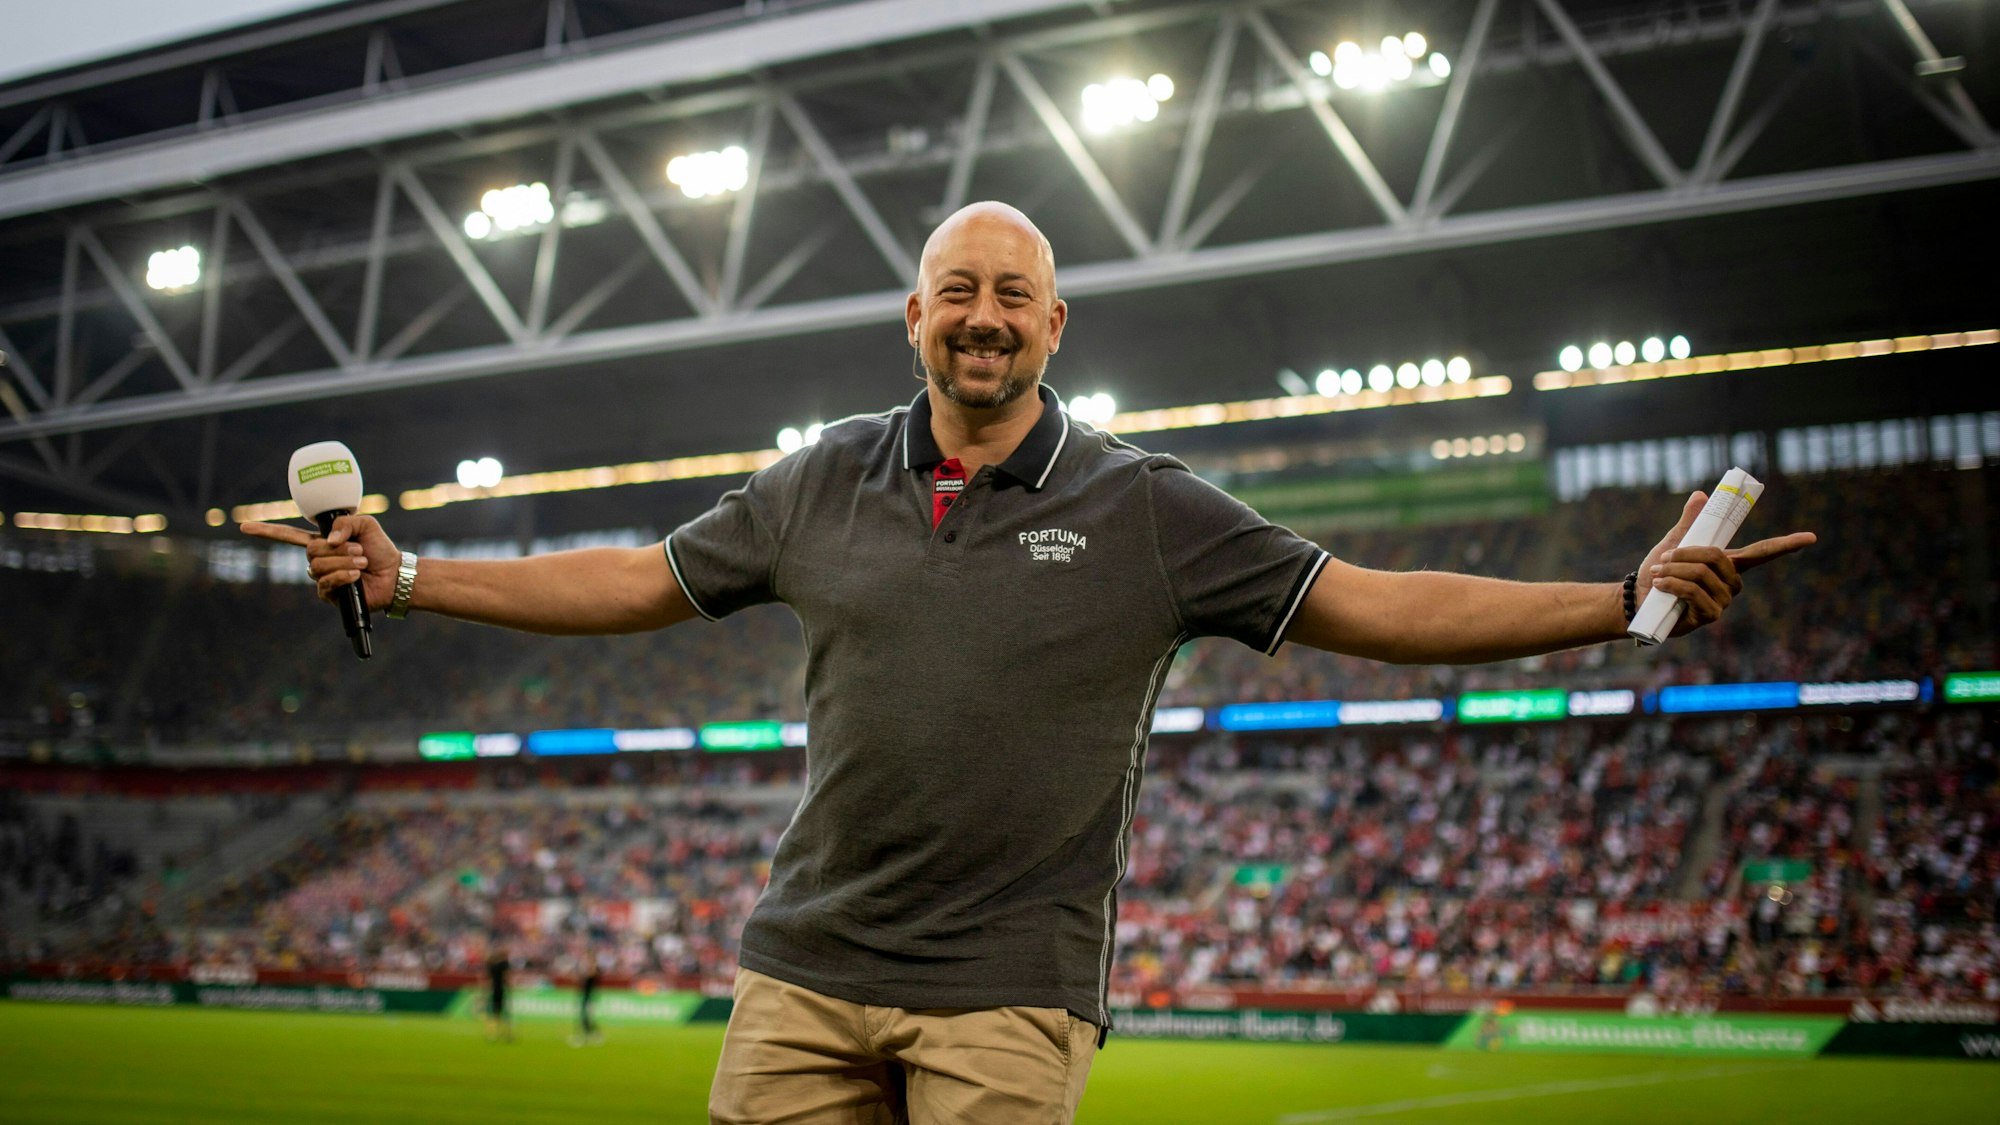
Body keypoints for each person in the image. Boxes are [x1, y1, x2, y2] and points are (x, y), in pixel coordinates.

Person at [246, 201, 1815, 1124]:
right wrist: (420, 572)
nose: (983, 320)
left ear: (1055, 324)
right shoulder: (814, 482)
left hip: (1009, 997)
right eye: (958, 295)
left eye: (1013, 298)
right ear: (911, 316)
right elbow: (637, 584)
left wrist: (1614, 598)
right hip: (801, 971)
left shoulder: (1152, 510)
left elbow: (1379, 602)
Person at [484, 943, 513, 1043]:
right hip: (501, 989)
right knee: (505, 1012)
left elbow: (488, 979)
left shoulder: (492, 965)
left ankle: (492, 1033)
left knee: (494, 1012)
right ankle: (507, 1033)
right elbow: (506, 976)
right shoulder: (505, 964)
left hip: (493, 989)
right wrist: (510, 986)